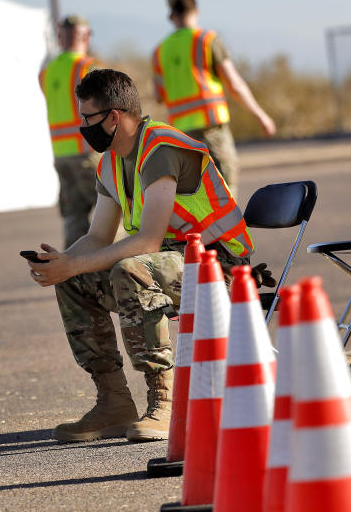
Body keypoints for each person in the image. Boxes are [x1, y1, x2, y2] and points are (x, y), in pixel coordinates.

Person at [24, 68, 254, 443]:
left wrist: (75, 263)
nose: (83, 127)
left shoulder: (160, 149)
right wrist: (62, 264)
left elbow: (147, 241)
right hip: (169, 263)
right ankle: (113, 402)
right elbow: (98, 236)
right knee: (74, 279)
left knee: (132, 271)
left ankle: (166, 402)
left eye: (88, 119)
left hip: (220, 267)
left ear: (114, 117)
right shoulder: (111, 162)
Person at [152, 0, 276, 200]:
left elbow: (158, 95)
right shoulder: (207, 41)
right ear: (196, 9)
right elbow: (235, 84)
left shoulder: (159, 51)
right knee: (225, 194)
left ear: (171, 14)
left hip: (181, 136)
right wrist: (261, 115)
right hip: (212, 132)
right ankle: (227, 235)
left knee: (195, 200)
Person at [39, 15, 100, 248]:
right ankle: (114, 273)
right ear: (86, 35)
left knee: (74, 218)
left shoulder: (47, 72)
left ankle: (74, 276)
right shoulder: (87, 67)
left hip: (61, 155)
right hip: (88, 153)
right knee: (114, 212)